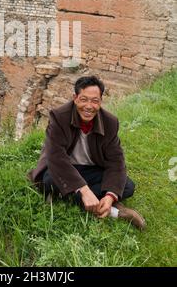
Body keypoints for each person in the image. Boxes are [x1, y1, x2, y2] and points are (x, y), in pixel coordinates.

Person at [28, 75, 146, 230]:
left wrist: (110, 195)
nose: (89, 106)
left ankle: (78, 198)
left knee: (127, 186)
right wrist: (84, 190)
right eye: (84, 99)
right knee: (49, 180)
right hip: (65, 168)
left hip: (91, 169)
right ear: (75, 98)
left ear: (100, 101)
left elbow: (116, 161)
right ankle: (116, 212)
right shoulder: (59, 117)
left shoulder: (110, 122)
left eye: (95, 101)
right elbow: (56, 158)